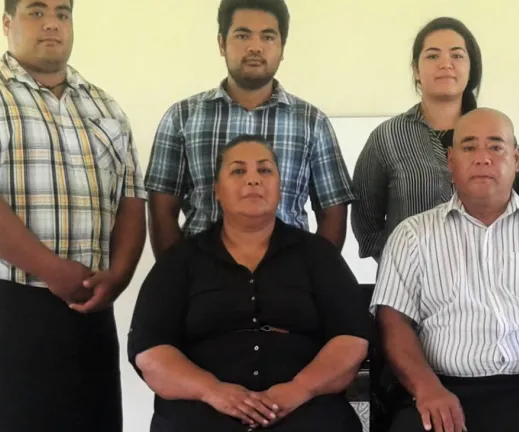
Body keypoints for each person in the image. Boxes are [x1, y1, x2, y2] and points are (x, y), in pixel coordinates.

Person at [0, 0, 147, 431]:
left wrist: (120, 276)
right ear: (7, 23)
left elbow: (131, 201)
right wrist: (50, 269)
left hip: (87, 315)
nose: (52, 23)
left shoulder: (105, 108)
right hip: (1, 317)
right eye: (36, 11)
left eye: (62, 13)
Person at [371, 108, 519, 432]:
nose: (483, 158)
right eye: (469, 147)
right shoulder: (412, 235)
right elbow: (394, 322)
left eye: (496, 147)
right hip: (440, 390)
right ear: (450, 160)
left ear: (516, 159)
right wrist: (426, 389)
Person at [129, 135, 370, 432]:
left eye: (265, 170)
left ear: (280, 188)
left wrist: (299, 389)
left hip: (305, 408)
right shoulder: (180, 260)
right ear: (216, 190)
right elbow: (150, 351)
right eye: (238, 171)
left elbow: (351, 339)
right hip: (203, 411)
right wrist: (213, 391)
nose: (253, 180)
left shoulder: (318, 255)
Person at [144, 0, 354, 257]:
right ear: (222, 43)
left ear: (282, 47)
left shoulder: (312, 122)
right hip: (202, 279)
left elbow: (332, 211)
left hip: (289, 278)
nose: (255, 47)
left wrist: (315, 276)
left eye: (268, 36)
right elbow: (161, 209)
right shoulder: (182, 117)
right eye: (242, 35)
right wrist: (178, 277)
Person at [351, 17, 482, 262]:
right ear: (416, 70)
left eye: (457, 55)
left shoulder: (493, 135)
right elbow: (366, 222)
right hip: (407, 290)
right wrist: (398, 265)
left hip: (484, 287)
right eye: (433, 56)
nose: (446, 64)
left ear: (471, 67)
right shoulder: (387, 137)